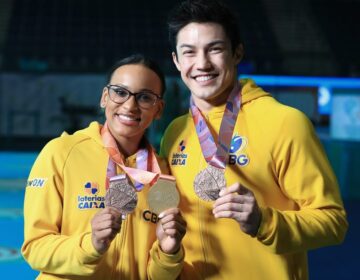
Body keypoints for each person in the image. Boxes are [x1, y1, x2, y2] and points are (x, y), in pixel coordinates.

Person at [160, 0, 348, 279]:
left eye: (215, 49)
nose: (202, 64)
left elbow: (333, 222)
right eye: (189, 52)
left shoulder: (285, 122)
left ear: (237, 53)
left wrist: (264, 222)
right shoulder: (175, 132)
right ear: (176, 61)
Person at [22, 54, 186, 279]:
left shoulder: (163, 174)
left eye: (145, 98)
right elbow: (35, 249)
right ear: (104, 98)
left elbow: (156, 275)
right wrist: (91, 244)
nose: (130, 106)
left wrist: (169, 253)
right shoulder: (61, 152)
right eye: (120, 92)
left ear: (158, 109)